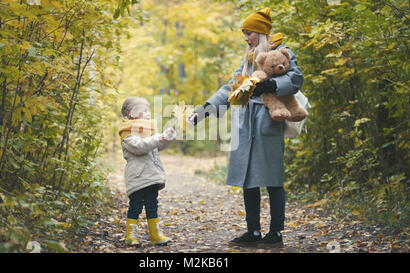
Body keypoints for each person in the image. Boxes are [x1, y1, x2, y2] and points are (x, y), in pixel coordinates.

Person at [187, 8, 304, 248]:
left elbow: (295, 79)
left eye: (249, 32)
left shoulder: (282, 52)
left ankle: (276, 233)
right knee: (248, 178)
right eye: (243, 33)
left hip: (268, 121)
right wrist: (204, 111)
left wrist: (271, 84)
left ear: (260, 33)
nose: (245, 37)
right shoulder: (249, 59)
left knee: (273, 178)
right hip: (245, 121)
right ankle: (253, 231)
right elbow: (231, 87)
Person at [119, 96, 176, 246]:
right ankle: (131, 235)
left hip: (151, 175)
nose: (148, 113)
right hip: (137, 177)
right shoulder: (127, 134)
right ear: (132, 113)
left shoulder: (148, 132)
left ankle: (155, 234)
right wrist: (158, 137)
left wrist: (167, 137)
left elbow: (157, 146)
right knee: (136, 206)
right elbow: (141, 147)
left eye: (149, 110)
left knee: (152, 204)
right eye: (144, 111)